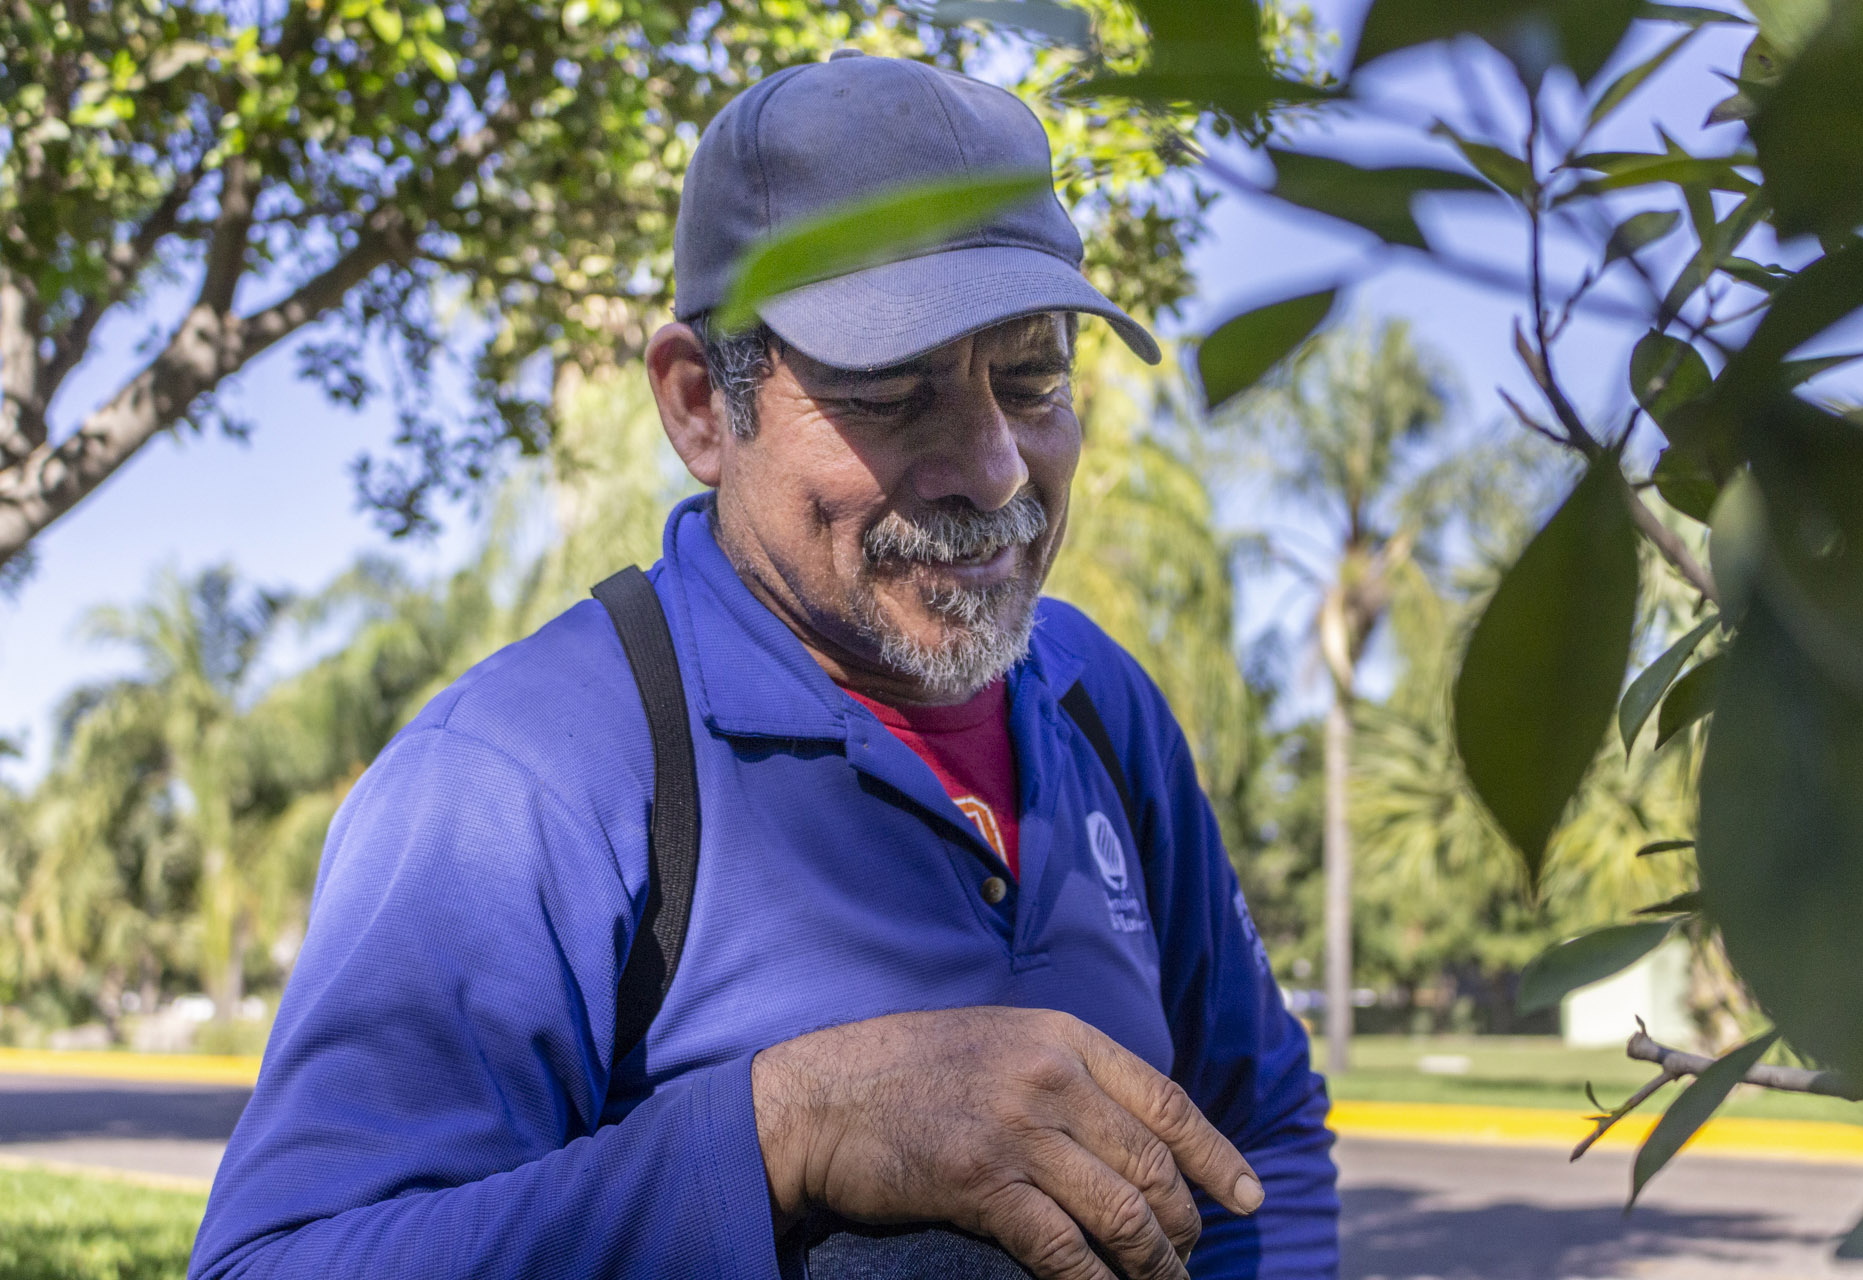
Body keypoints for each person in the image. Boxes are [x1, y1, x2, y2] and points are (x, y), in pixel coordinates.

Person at [189, 50, 1338, 1280]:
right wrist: (783, 1125)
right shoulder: (524, 774)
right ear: (697, 404)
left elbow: (1256, 1138)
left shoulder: (1096, 699)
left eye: (1034, 376)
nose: (997, 467)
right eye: (896, 390)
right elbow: (275, 1259)